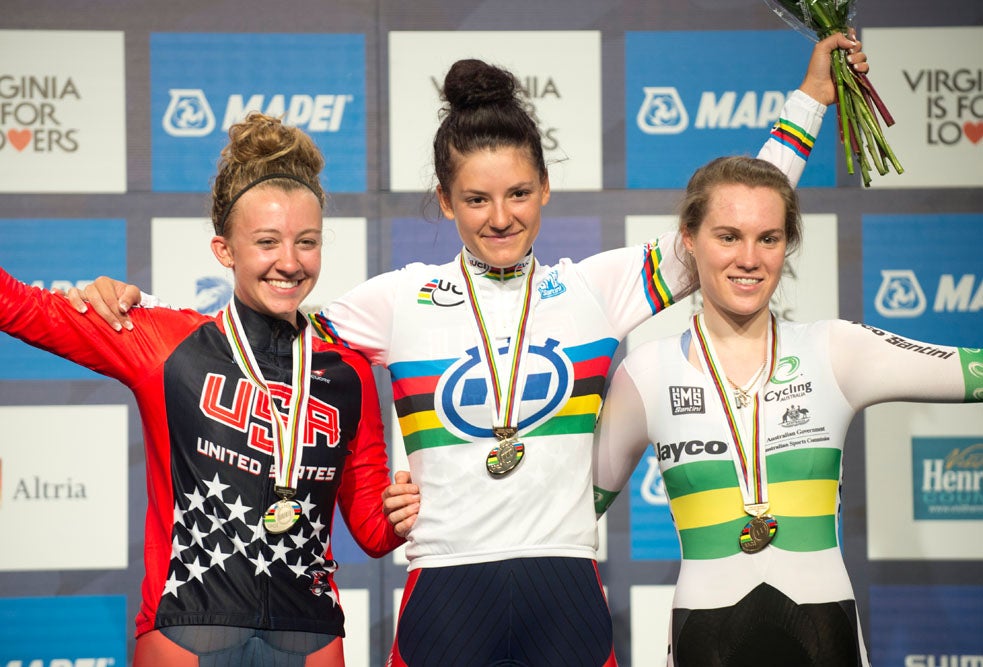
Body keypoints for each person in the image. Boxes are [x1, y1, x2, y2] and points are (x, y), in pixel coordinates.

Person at [71, 34, 866, 666]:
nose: (500, 216)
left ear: (545, 188)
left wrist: (809, 99)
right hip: (444, 582)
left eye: (518, 193)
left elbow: (734, 217)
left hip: (564, 578)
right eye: (476, 198)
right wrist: (128, 307)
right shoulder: (398, 299)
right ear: (445, 200)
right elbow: (265, 320)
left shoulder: (598, 288)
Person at [0, 113, 406, 666]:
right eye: (267, 242)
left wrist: (408, 507)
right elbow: (20, 307)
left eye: (306, 242)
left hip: (309, 636)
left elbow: (374, 533)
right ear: (224, 250)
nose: (289, 263)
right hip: (186, 627)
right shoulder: (163, 342)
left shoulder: (348, 371)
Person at [592, 155, 983, 666]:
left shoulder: (836, 350)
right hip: (702, 634)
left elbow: (970, 372)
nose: (750, 258)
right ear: (688, 239)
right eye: (728, 237)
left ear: (787, 244)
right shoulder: (645, 374)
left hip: (826, 632)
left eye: (769, 238)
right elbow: (572, 513)